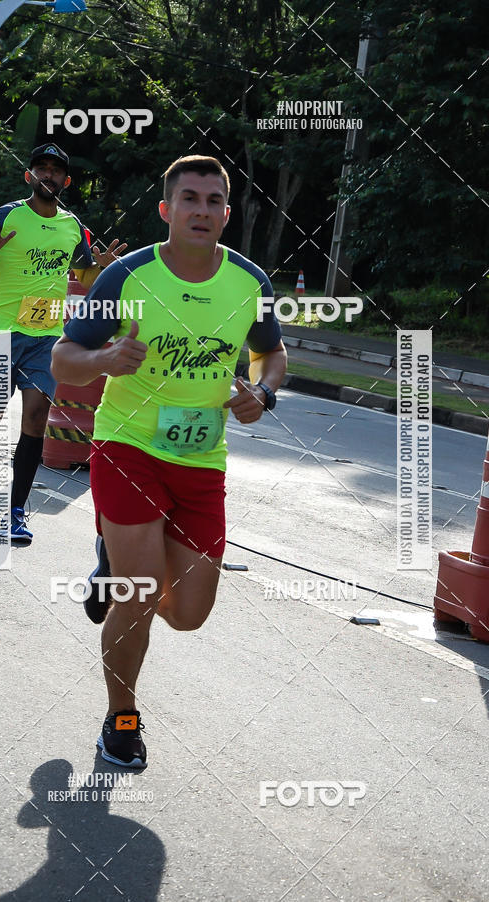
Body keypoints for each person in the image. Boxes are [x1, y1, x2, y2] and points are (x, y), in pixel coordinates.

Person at [51, 154, 287, 768]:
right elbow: (63, 357)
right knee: (139, 593)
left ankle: (114, 560)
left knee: (188, 614)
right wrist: (103, 361)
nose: (201, 211)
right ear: (167, 209)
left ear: (227, 215)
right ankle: (120, 721)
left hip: (202, 461)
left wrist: (260, 393)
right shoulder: (126, 278)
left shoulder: (250, 284)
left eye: (213, 201)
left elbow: (272, 356)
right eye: (190, 199)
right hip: (128, 449)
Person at [0, 143, 126, 544]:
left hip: (44, 338)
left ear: (66, 180)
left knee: (35, 420)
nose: (48, 175)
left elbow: (88, 279)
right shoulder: (7, 215)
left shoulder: (72, 226)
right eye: (41, 168)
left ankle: (14, 512)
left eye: (56, 170)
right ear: (29, 176)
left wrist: (104, 270)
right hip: (0, 332)